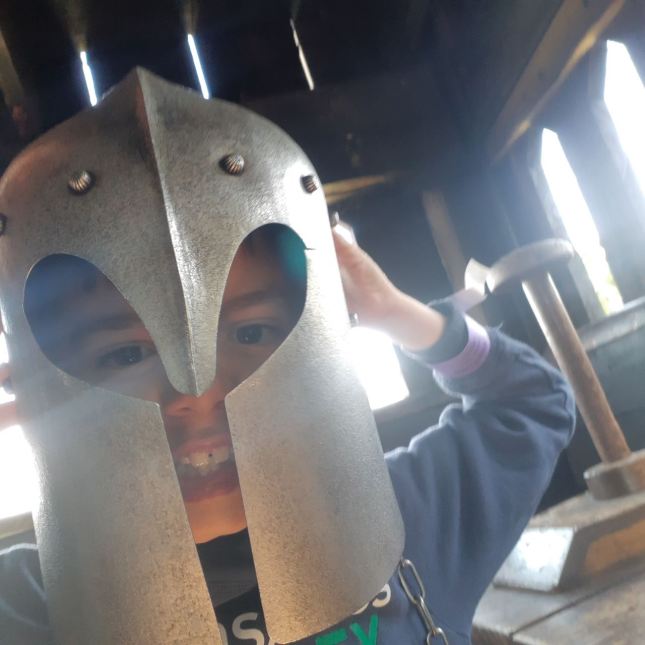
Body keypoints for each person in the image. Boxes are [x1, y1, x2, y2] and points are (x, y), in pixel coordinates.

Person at [0, 70, 575, 645]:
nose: (198, 392)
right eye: (126, 353)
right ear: (45, 387)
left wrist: (396, 313)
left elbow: (533, 400)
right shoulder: (28, 603)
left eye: (250, 333)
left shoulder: (407, 512)